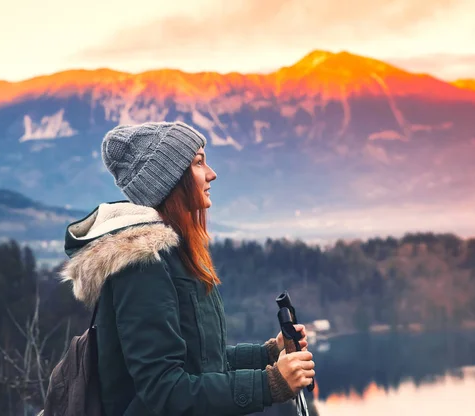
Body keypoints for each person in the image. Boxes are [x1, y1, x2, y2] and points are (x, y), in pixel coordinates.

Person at [59, 121, 316, 415]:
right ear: (169, 180)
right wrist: (270, 384)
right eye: (198, 162)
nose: (211, 173)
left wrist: (269, 354)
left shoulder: (171, 255)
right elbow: (164, 390)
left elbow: (202, 362)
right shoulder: (142, 264)